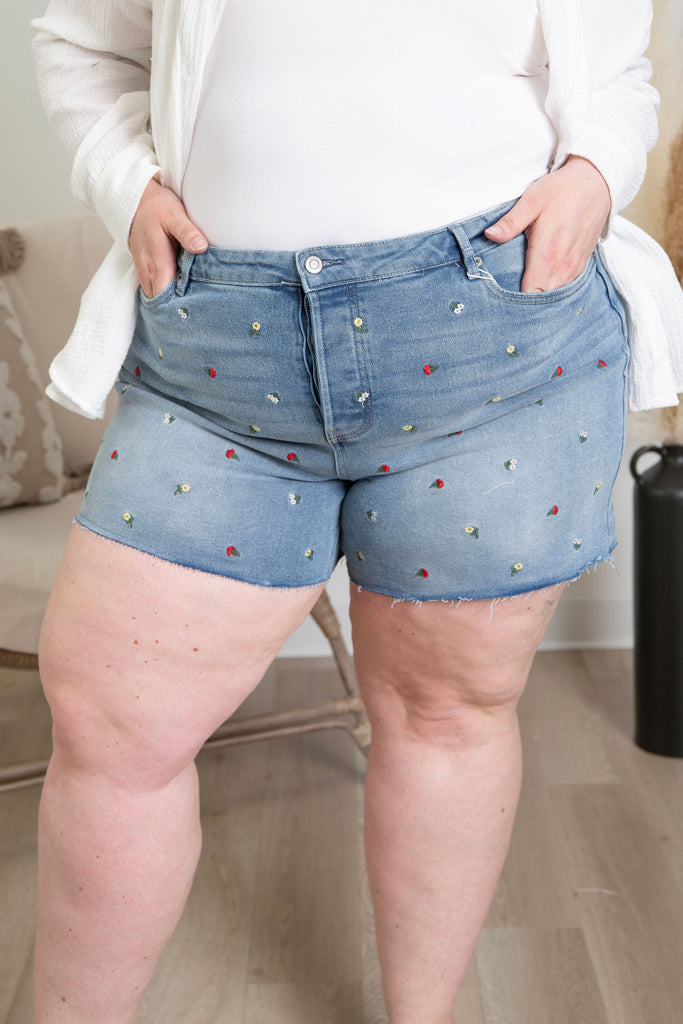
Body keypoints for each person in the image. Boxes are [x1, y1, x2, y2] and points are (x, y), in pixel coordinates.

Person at [29, 1, 683, 1022]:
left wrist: (596, 172)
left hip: (495, 345)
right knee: (111, 722)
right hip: (216, 353)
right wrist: (125, 181)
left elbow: (614, 75)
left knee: (445, 712)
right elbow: (82, 40)